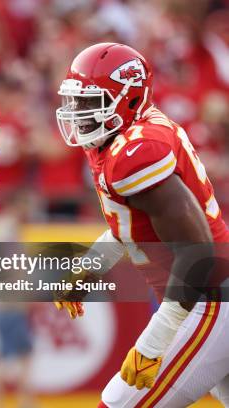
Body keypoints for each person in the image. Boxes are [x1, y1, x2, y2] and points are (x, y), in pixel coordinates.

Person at [54, 42, 229, 407]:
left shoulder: (137, 153)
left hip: (208, 299)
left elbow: (197, 254)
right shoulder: (119, 140)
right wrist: (88, 269)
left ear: (128, 100)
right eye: (76, 100)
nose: (79, 112)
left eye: (90, 101)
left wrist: (154, 343)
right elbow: (131, 226)